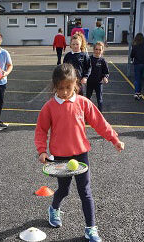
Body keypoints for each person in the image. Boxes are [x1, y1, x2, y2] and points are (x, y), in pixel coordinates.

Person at [34, 63, 125, 242]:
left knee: (85, 191)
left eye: (68, 87)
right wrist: (42, 151)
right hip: (60, 156)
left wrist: (114, 139)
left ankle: (91, 229)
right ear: (55, 87)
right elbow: (41, 130)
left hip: (81, 155)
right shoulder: (49, 107)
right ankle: (54, 208)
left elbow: (100, 123)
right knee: (64, 190)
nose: (65, 92)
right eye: (61, 88)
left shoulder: (83, 103)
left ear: (76, 84)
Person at [86, 41, 109, 112]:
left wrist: (105, 77)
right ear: (93, 49)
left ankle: (100, 114)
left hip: (99, 83)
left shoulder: (103, 61)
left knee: (99, 99)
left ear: (102, 51)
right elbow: (85, 70)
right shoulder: (89, 59)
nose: (98, 51)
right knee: (88, 99)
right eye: (96, 49)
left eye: (100, 49)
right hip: (90, 82)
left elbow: (106, 72)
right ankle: (86, 114)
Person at [130, 33, 144, 100]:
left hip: (137, 64)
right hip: (143, 64)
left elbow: (131, 55)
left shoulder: (135, 47)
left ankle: (136, 93)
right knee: (140, 79)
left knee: (137, 79)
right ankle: (139, 93)